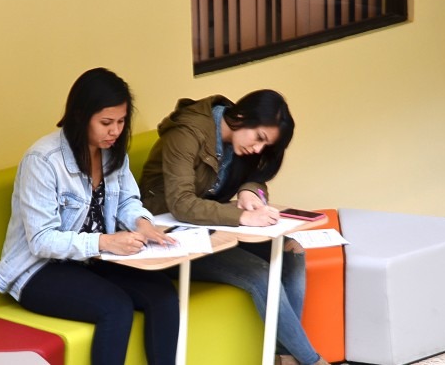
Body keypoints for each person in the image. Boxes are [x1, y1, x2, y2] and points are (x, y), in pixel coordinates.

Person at [0, 67, 179, 365]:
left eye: (120, 121)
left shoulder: (112, 152)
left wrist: (144, 224)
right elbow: (41, 240)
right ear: (80, 115)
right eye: (106, 122)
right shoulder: (42, 160)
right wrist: (105, 242)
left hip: (92, 261)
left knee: (163, 294)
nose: (115, 131)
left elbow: (128, 200)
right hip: (39, 270)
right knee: (115, 307)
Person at [140, 90, 330, 365]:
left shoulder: (239, 138)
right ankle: (312, 361)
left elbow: (256, 178)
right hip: (170, 238)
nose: (257, 149)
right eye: (259, 139)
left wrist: (250, 191)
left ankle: (286, 357)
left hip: (212, 229)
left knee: (292, 250)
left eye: (265, 146)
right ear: (242, 116)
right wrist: (240, 217)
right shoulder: (186, 133)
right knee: (259, 274)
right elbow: (181, 204)